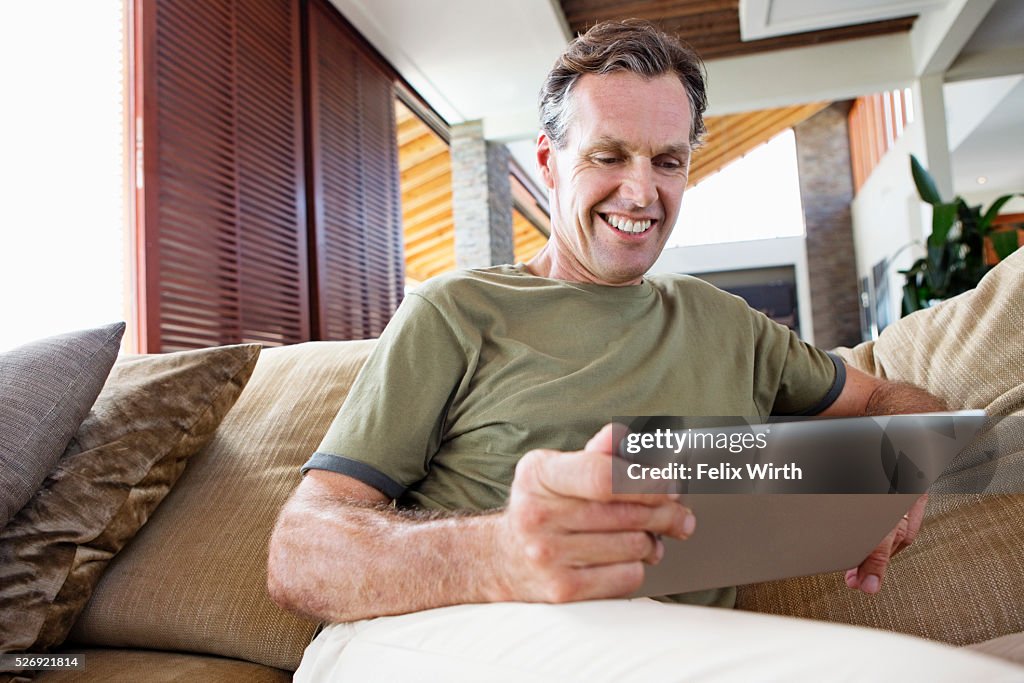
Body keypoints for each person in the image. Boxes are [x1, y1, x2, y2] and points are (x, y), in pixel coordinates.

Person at [267, 20, 1022, 681]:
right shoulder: (456, 311)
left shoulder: (727, 324)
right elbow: (299, 550)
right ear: (549, 162)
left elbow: (891, 395)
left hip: (664, 644)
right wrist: (499, 552)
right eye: (608, 155)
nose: (640, 191)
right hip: (444, 635)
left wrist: (902, 465)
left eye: (667, 161)